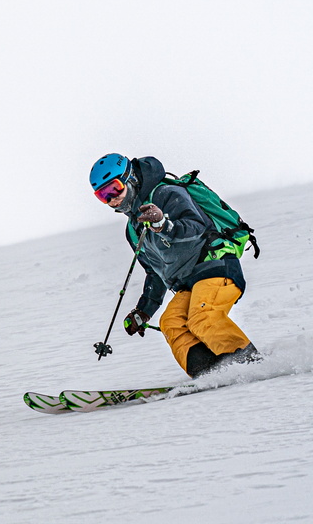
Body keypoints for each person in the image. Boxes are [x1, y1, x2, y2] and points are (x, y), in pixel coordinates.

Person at [89, 153, 260, 378]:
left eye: (114, 189)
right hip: (189, 283)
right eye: (103, 196)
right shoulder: (134, 230)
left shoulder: (166, 193)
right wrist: (144, 311)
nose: (112, 200)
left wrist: (164, 225)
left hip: (216, 265)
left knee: (202, 318)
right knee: (171, 322)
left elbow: (197, 227)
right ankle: (210, 374)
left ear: (130, 179)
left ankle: (252, 365)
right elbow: (155, 272)